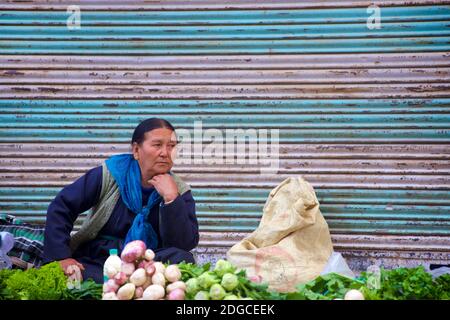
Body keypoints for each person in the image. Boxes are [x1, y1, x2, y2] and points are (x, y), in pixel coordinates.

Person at [43, 118, 199, 283]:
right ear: (136, 150)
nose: (165, 153)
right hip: (101, 259)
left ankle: (132, 283)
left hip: (149, 261)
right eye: (157, 145)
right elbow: (62, 206)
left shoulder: (178, 189)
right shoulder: (110, 175)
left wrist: (171, 200)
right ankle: (136, 284)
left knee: (183, 259)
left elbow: (184, 244)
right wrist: (61, 257)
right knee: (76, 274)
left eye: (171, 146)